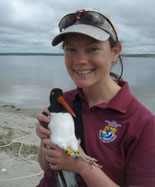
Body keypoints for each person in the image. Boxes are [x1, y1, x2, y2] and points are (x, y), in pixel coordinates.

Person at [35, 8, 155, 187]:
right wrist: (45, 139)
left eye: (93, 49)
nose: (80, 60)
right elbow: (46, 167)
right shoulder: (63, 102)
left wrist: (82, 167)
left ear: (115, 52)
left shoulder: (143, 123)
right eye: (71, 49)